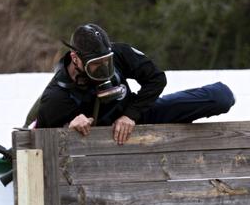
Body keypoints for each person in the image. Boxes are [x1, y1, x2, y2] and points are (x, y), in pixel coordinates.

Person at [30, 23, 235, 144]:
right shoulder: (57, 96)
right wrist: (68, 129)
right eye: (96, 65)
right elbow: (40, 142)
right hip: (101, 141)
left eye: (107, 62)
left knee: (221, 97)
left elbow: (156, 79)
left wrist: (130, 115)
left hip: (136, 116)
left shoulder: (120, 53)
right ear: (75, 58)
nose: (104, 70)